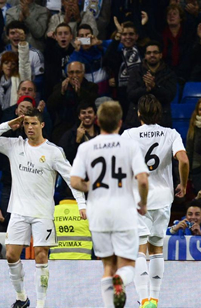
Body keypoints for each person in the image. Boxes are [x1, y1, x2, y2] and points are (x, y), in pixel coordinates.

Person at [0, 109, 86, 308]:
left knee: (40, 255)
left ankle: (41, 304)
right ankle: (22, 298)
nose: (29, 127)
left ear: (42, 125)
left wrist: (82, 204)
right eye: (26, 124)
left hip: (42, 213)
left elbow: (71, 178)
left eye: (33, 124)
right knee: (11, 255)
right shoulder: (14, 145)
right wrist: (8, 125)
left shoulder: (53, 151)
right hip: (19, 211)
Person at [70, 101, 149, 308]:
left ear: (97, 121)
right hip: (124, 211)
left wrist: (93, 187)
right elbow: (142, 179)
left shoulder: (86, 147)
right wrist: (143, 203)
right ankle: (120, 280)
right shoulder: (129, 145)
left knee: (107, 265)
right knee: (127, 265)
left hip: (98, 212)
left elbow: (75, 181)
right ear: (120, 123)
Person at [121, 94, 189, 308]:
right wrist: (184, 185)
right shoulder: (171, 133)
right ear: (159, 113)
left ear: (139, 113)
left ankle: (143, 299)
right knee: (157, 247)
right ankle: (155, 299)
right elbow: (184, 160)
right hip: (163, 197)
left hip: (139, 197)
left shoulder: (129, 135)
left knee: (139, 249)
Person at [126, 41, 177, 128]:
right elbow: (131, 95)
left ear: (160, 55)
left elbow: (170, 96)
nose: (152, 55)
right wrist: (146, 88)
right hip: (136, 121)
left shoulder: (169, 73)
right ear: (145, 56)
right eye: (149, 53)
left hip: (162, 120)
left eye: (155, 52)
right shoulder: (135, 72)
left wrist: (154, 87)